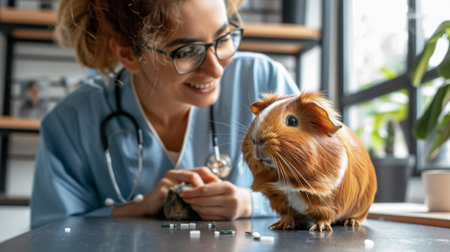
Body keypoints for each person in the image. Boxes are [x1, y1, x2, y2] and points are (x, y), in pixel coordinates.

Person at [30, 0, 300, 228]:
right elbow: (52, 229)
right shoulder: (73, 121)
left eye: (224, 37)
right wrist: (141, 208)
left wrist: (249, 202)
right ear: (128, 54)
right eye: (188, 51)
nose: (217, 69)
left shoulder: (263, 81)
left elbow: (336, 192)